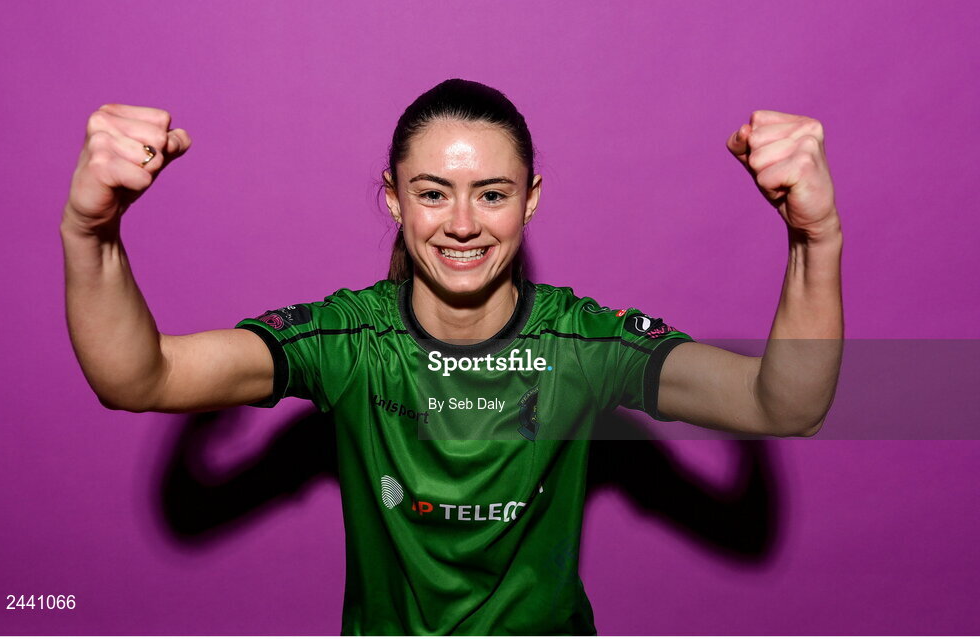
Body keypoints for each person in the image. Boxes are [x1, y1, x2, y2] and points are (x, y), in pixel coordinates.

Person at [61, 79, 843, 634]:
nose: (463, 223)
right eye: (433, 193)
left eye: (493, 193)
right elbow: (140, 376)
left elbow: (785, 404)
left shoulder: (582, 341)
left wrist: (816, 238)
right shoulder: (351, 341)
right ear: (394, 198)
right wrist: (89, 231)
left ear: (531, 197)